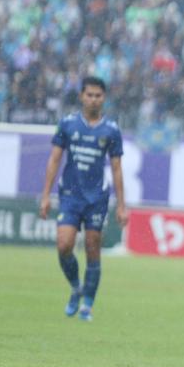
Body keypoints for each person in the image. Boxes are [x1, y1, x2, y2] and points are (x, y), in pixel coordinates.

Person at [39, 76, 128, 321]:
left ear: (104, 98)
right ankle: (76, 287)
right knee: (64, 245)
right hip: (70, 195)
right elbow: (55, 160)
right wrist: (45, 195)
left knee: (92, 248)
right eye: (89, 95)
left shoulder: (111, 129)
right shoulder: (68, 125)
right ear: (81, 96)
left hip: (96, 198)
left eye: (98, 95)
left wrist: (121, 205)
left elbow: (117, 168)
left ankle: (88, 303)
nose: (93, 99)